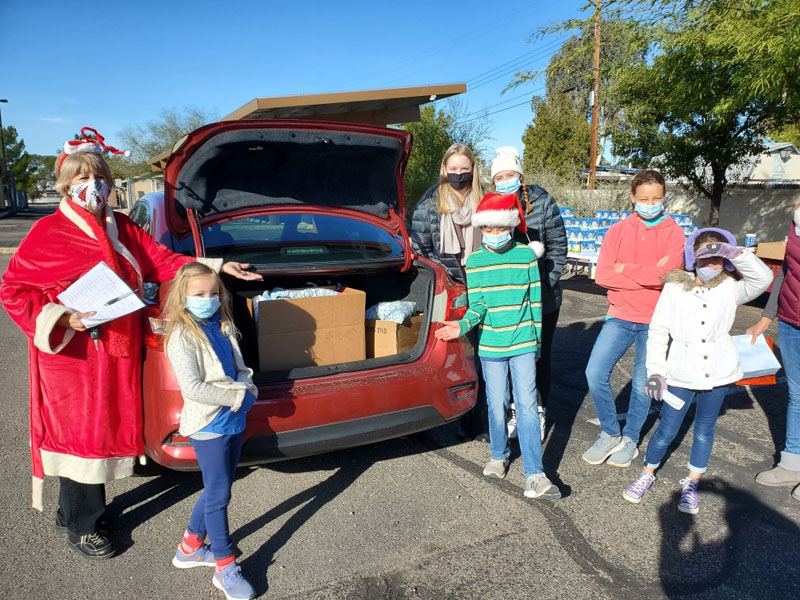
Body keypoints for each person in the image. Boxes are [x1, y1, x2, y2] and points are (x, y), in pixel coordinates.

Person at [0, 129, 261, 560]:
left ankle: (72, 511)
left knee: (101, 434)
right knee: (83, 437)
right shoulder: (48, 232)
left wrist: (218, 267)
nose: (94, 187)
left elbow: (161, 260)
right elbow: (14, 290)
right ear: (66, 183)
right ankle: (84, 526)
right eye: (83, 179)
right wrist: (64, 317)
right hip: (74, 357)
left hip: (119, 351)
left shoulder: (120, 225)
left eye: (100, 177)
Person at [622, 229, 772, 513]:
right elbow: (658, 330)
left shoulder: (730, 286)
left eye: (719, 256)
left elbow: (763, 279)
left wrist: (737, 253)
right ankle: (646, 473)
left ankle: (692, 482)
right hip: (681, 370)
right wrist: (655, 372)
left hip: (719, 371)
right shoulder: (674, 287)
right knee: (666, 429)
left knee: (704, 430)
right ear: (693, 256)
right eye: (707, 255)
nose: (713, 263)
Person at [435, 193, 561, 499]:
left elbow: (535, 303)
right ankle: (498, 454)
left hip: (523, 344)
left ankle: (535, 474)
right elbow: (477, 306)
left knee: (528, 407)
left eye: (499, 228)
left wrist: (537, 347)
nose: (494, 234)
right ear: (482, 229)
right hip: (491, 346)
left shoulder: (527, 256)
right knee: (496, 402)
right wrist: (461, 326)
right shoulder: (475, 262)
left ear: (511, 225)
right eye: (487, 229)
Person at [165, 262, 257, 600]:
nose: (208, 299)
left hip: (232, 419)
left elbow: (239, 366)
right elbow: (192, 388)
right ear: (183, 295)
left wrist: (249, 388)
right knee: (220, 495)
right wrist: (236, 396)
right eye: (199, 294)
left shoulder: (223, 324)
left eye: (214, 293)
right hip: (208, 424)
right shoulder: (181, 335)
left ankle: (189, 547)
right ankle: (225, 567)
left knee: (219, 486)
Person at [582, 170, 686, 467]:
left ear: (664, 196)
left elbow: (668, 276)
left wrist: (625, 268)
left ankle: (631, 439)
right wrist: (649, 274)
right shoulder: (618, 231)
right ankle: (610, 433)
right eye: (644, 199)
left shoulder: (673, 232)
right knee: (594, 372)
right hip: (620, 315)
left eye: (656, 198)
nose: (650, 203)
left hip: (656, 320)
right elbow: (602, 275)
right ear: (632, 198)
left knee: (643, 382)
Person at [410, 143, 488, 441]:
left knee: (487, 358)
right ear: (444, 170)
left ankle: (485, 419)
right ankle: (465, 419)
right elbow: (420, 248)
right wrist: (449, 281)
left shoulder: (485, 200)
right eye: (452, 169)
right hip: (453, 291)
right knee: (460, 359)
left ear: (472, 169)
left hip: (485, 287)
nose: (458, 175)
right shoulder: (431, 204)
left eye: (464, 170)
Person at [490, 146, 567, 440]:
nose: (505, 180)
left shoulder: (542, 201)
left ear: (520, 176)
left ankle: (537, 410)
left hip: (543, 298)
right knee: (510, 358)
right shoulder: (493, 205)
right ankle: (514, 410)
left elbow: (558, 247)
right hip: (508, 298)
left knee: (538, 357)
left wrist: (544, 283)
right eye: (500, 176)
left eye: (511, 174)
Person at [748, 200, 800, 503]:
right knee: (797, 394)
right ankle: (792, 463)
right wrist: (766, 318)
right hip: (792, 321)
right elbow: (786, 272)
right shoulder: (796, 218)